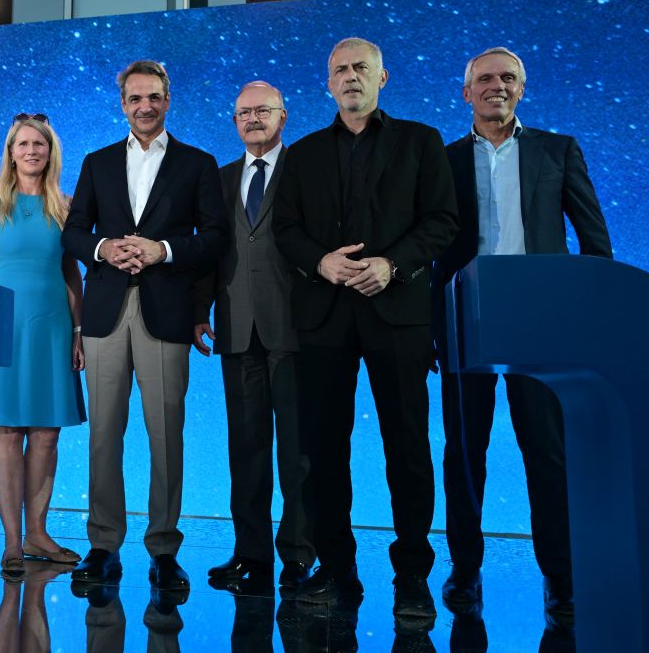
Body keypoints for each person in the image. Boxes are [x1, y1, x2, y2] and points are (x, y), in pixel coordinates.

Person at [272, 38, 458, 620]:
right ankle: (337, 569)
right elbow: (286, 228)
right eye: (340, 70)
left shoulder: (421, 141)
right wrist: (320, 262)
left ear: (383, 77)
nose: (350, 77)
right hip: (324, 317)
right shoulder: (302, 153)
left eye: (361, 68)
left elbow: (442, 221)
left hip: (396, 311)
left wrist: (392, 265)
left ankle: (412, 576)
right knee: (324, 451)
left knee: (408, 447)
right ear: (328, 83)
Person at [434, 47, 612, 621]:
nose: (497, 86)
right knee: (464, 452)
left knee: (547, 452)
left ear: (522, 88)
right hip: (466, 320)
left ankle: (561, 576)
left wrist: (586, 317)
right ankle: (465, 570)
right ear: (466, 92)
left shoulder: (557, 150)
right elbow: (430, 247)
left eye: (508, 78)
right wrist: (432, 328)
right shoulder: (442, 160)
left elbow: (594, 240)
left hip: (540, 322)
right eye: (484, 79)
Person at [63, 60, 228, 594]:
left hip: (167, 312)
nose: (145, 106)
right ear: (123, 104)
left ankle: (163, 549)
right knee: (103, 434)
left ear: (168, 99)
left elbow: (215, 239)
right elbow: (73, 232)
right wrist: (104, 248)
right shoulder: (97, 162)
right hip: (105, 313)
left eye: (154, 96)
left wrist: (164, 250)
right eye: (135, 98)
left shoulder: (197, 163)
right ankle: (103, 544)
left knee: (166, 434)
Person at [194, 80, 314, 597]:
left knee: (299, 452)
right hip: (236, 328)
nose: (253, 119)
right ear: (234, 121)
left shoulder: (305, 170)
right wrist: (200, 309)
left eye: (263, 111)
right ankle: (251, 553)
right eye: (244, 112)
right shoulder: (220, 179)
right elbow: (211, 249)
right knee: (245, 449)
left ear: (283, 117)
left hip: (295, 328)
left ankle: (299, 553)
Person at [0, 113, 87, 577]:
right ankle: (12, 540)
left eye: (40, 144)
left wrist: (78, 331)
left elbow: (71, 273)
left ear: (51, 153)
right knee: (8, 430)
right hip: (3, 326)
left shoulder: (66, 205)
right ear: (10, 152)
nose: (32, 151)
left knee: (48, 432)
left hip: (52, 327)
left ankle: (38, 532)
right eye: (23, 144)